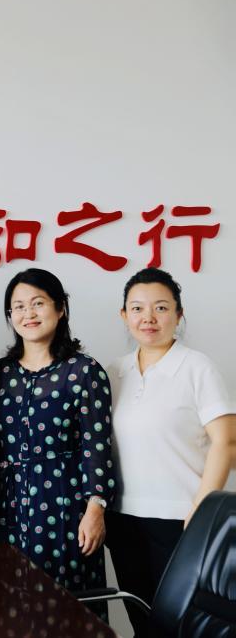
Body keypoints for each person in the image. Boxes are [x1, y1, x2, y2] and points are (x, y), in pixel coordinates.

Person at [106, 267, 236, 636]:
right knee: (142, 620)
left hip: (181, 518)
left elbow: (227, 441)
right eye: (137, 308)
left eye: (161, 308)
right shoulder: (114, 371)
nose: (148, 317)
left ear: (178, 315)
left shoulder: (197, 367)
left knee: (181, 626)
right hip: (123, 518)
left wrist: (201, 508)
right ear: (124, 315)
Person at [0, 268, 115, 598]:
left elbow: (96, 445)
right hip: (6, 508)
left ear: (60, 309)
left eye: (38, 303)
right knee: (10, 601)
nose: (28, 313)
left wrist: (95, 509)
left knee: (65, 602)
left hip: (65, 506)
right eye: (18, 307)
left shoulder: (84, 371)